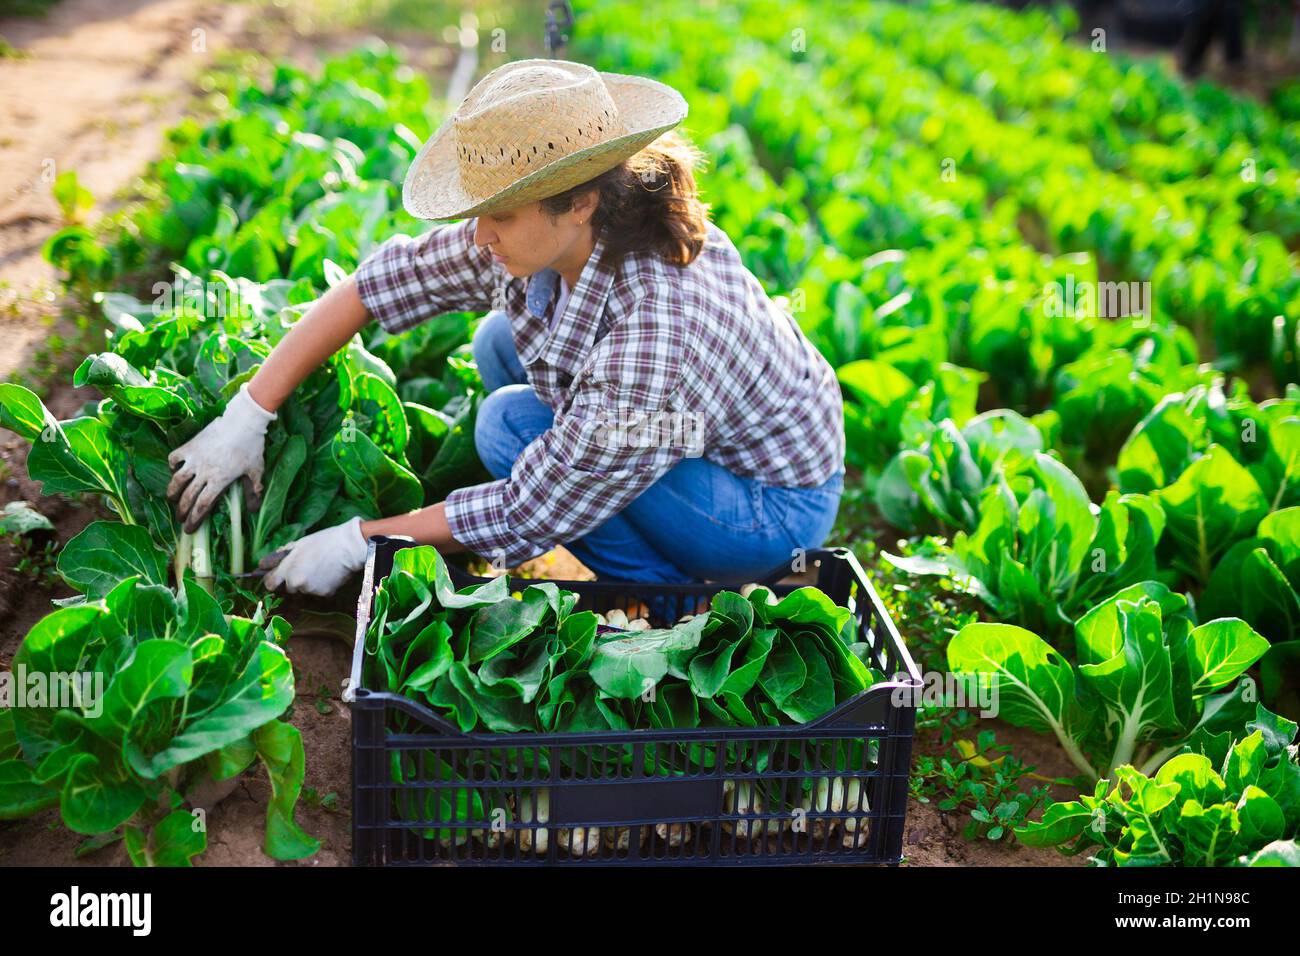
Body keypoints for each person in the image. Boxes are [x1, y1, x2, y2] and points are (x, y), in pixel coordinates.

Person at [165, 58, 845, 597]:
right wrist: (247, 414)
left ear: (578, 202)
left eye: (502, 216)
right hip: (681, 434)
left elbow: (528, 509)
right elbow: (375, 285)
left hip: (767, 506)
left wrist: (358, 540)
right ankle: (631, 530)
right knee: (498, 340)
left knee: (510, 428)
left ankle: (658, 595)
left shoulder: (656, 331)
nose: (480, 235)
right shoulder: (550, 231)